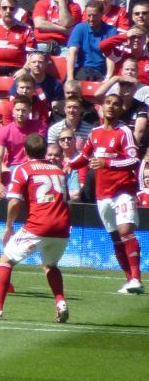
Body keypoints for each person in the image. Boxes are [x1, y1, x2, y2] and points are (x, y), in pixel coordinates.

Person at [0, 133, 70, 322]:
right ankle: (60, 301)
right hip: (62, 227)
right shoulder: (58, 170)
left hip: (38, 225)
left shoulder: (23, 169)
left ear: (24, 151)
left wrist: (9, 227)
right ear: (44, 151)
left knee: (5, 261)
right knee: (50, 265)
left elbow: (14, 202)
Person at [66, 91, 142, 294]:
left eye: (115, 104)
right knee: (115, 237)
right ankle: (129, 280)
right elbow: (84, 156)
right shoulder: (95, 133)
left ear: (120, 109)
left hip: (122, 190)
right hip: (102, 194)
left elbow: (134, 160)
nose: (110, 106)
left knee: (126, 231)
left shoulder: (124, 132)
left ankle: (136, 278)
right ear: (102, 107)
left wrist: (107, 162)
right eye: (107, 103)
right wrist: (67, 164)